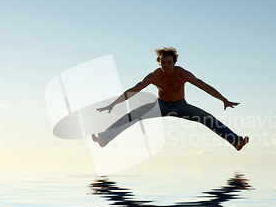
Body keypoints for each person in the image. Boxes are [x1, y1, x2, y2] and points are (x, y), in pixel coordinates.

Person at [92, 47, 249, 151]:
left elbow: (204, 86)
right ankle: (104, 138)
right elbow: (134, 90)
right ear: (159, 62)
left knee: (207, 118)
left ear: (174, 62)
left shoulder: (183, 74)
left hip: (181, 106)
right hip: (160, 106)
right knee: (132, 115)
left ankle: (236, 142)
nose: (166, 65)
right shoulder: (154, 76)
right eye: (163, 63)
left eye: (169, 62)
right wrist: (112, 104)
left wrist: (223, 100)